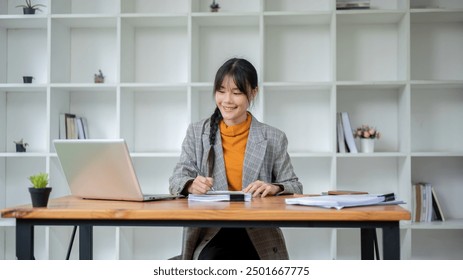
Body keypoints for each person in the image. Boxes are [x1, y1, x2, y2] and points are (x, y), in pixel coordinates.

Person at [169, 57, 303, 260]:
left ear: (253, 93)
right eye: (221, 91)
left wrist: (274, 187)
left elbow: (295, 186)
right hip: (211, 232)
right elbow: (176, 180)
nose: (227, 100)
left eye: (237, 92)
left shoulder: (274, 137)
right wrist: (190, 185)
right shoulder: (197, 132)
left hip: (258, 233)